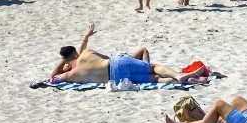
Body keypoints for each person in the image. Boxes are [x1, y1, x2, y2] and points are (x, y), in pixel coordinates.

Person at [50, 23, 207, 85]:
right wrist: (86, 36)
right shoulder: (84, 54)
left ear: (65, 61)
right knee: (154, 67)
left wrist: (61, 62)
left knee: (154, 79)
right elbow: (86, 49)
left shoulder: (73, 76)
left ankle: (185, 81)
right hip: (116, 63)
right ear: (75, 53)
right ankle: (179, 76)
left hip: (116, 80)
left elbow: (52, 78)